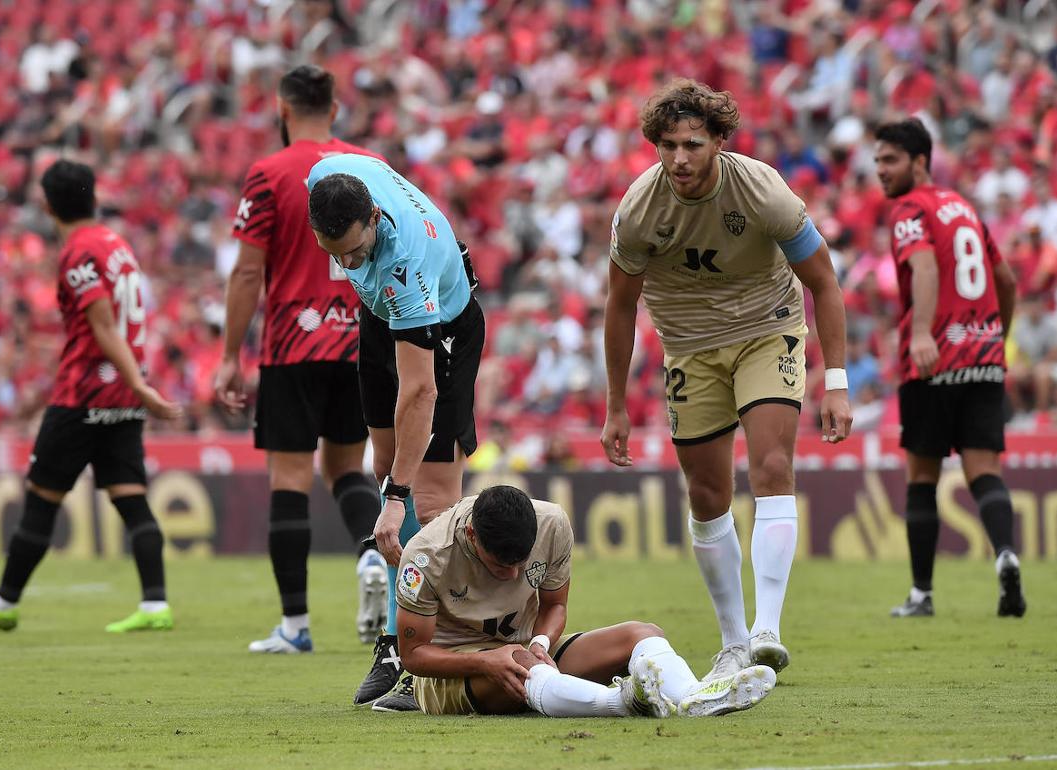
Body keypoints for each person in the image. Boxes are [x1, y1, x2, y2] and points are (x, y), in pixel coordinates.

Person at [601, 79, 852, 682]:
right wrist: (615, 405)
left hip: (768, 330)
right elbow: (619, 305)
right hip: (689, 349)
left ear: (720, 140)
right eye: (667, 146)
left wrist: (837, 382)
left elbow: (823, 281)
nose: (679, 159)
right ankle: (734, 641)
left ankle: (767, 627)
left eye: (691, 144)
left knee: (771, 468)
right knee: (708, 495)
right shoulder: (639, 209)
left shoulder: (762, 190)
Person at [0, 159, 182, 632]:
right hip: (120, 395)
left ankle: (4, 602)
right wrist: (133, 385)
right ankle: (155, 605)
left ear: (48, 204)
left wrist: (138, 382)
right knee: (131, 496)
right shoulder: (119, 246)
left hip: (84, 394)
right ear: (94, 197)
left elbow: (100, 324)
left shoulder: (78, 251)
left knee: (42, 499)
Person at [212, 64, 388, 655]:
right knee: (347, 471)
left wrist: (229, 354)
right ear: (335, 109)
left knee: (290, 478)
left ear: (283, 111)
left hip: (293, 344)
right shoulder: (368, 166)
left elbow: (246, 270)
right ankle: (371, 554)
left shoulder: (268, 173)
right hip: (359, 341)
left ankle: (294, 626)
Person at [307, 154, 483, 709]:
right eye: (334, 254)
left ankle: (432, 654)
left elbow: (421, 392)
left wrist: (396, 498)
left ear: (377, 218)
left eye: (356, 250)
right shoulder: (326, 174)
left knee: (427, 505)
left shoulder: (404, 264)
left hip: (443, 330)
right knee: (385, 468)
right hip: (381, 321)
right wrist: (390, 488)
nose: (347, 262)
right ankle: (396, 642)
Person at [394, 485, 777, 717]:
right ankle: (622, 702)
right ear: (472, 536)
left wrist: (542, 642)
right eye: (499, 566)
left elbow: (554, 607)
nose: (513, 576)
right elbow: (414, 657)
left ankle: (695, 697)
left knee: (642, 633)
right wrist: (483, 660)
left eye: (520, 564)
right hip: (456, 675)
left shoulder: (552, 524)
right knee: (520, 661)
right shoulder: (426, 556)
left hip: (527, 649)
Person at [874, 118, 1025, 618]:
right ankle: (1005, 555)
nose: (881, 170)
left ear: (920, 162)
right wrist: (995, 336)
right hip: (982, 358)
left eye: (891, 160)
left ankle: (921, 594)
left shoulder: (909, 209)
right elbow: (1005, 280)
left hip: (933, 359)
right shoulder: (963, 207)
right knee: (984, 471)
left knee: (921, 475)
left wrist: (921, 333)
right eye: (878, 160)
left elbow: (925, 266)